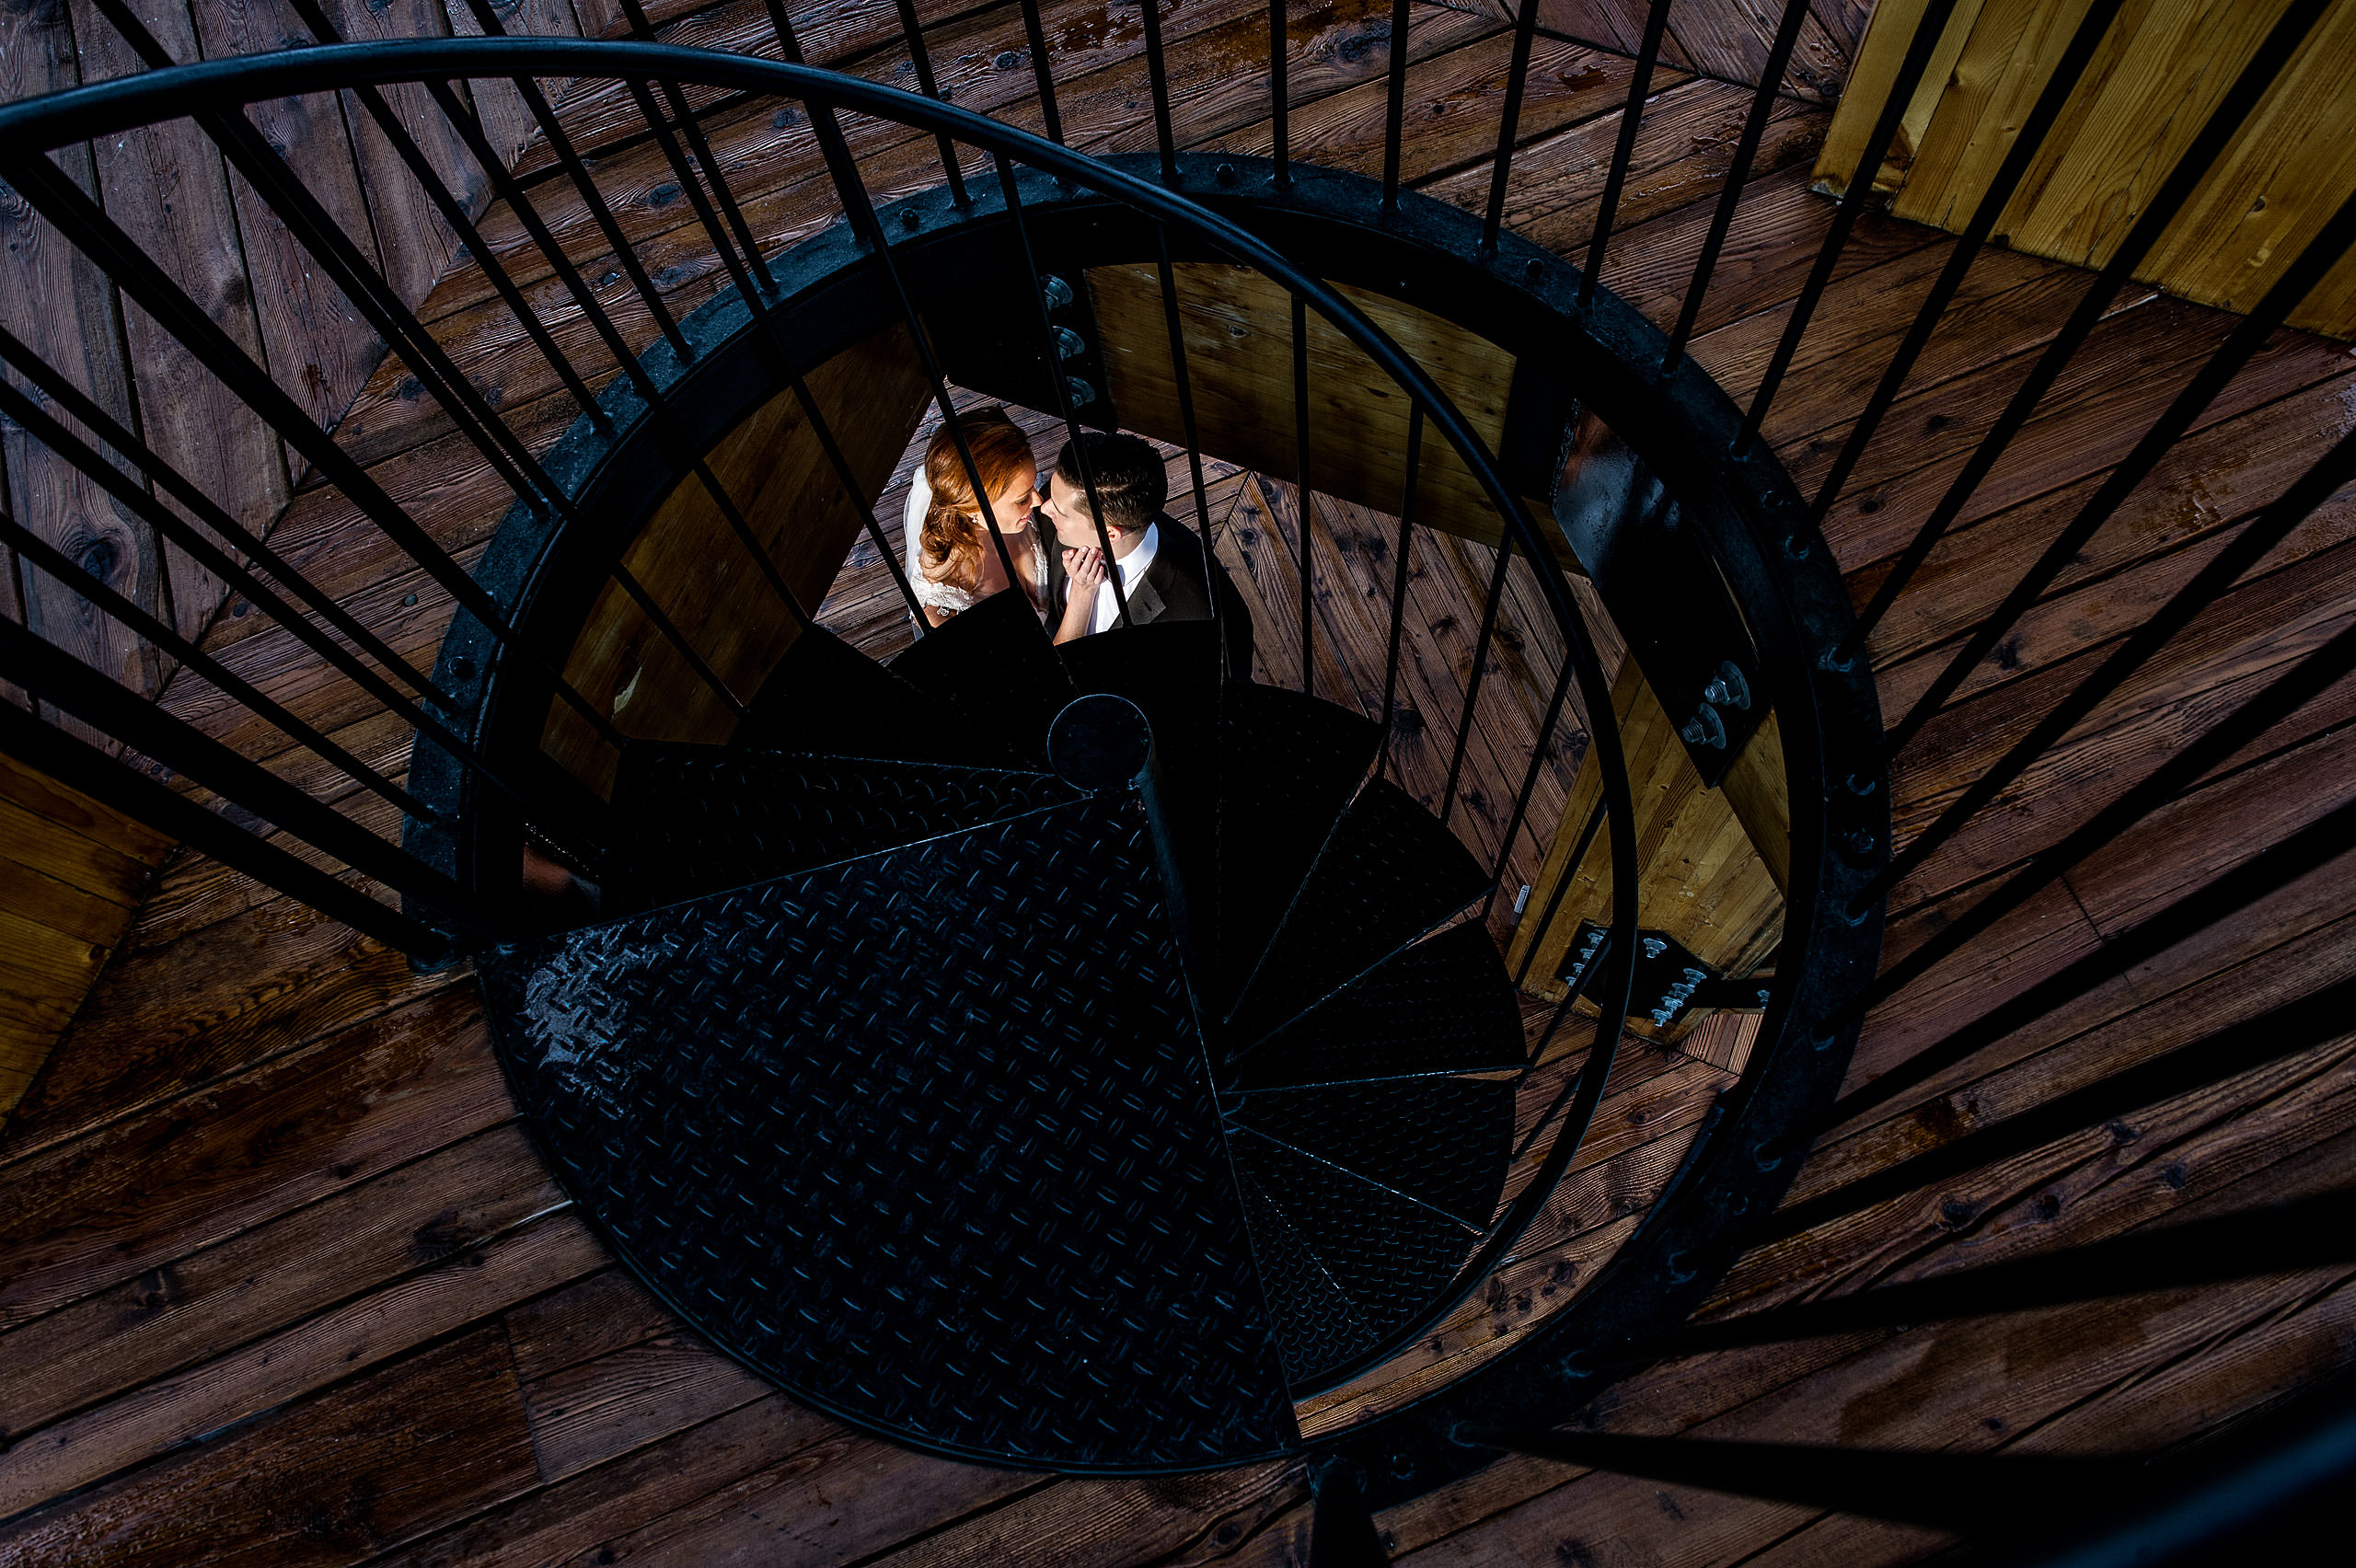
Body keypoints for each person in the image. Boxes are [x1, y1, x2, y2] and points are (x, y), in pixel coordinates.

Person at [1036, 431, 1253, 671]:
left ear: (1110, 535)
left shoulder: (1203, 616)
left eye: (1059, 511)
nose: (1044, 508)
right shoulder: (1062, 501)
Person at [903, 409, 1048, 627]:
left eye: (1032, 486)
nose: (1038, 501)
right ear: (971, 507)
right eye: (1022, 499)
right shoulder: (942, 606)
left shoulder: (1019, 519)